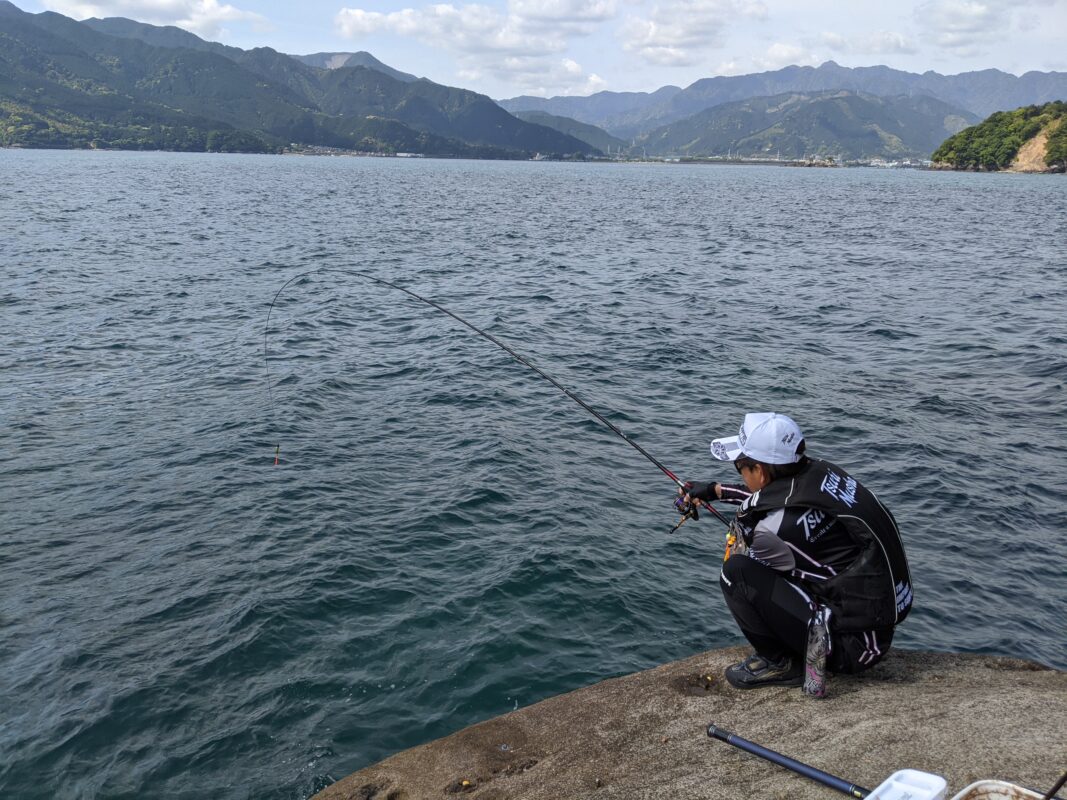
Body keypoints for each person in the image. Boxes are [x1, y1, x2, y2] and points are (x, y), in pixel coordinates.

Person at [682, 412, 913, 690]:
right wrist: (717, 491)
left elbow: (746, 552)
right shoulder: (822, 473)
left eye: (740, 465)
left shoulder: (772, 533)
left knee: (736, 574)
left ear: (761, 471)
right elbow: (781, 499)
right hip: (874, 632)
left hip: (847, 648)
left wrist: (741, 532)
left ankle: (780, 663)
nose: (740, 471)